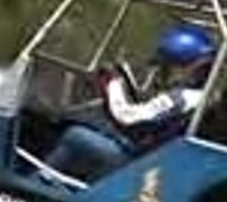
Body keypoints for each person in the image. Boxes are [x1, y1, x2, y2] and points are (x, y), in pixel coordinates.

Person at [40, 24, 217, 182]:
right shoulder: (198, 98)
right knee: (98, 132)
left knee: (75, 135)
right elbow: (147, 115)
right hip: (151, 160)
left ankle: (38, 188)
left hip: (138, 165)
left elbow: (127, 118)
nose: (162, 74)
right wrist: (123, 85)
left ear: (188, 68)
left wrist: (112, 83)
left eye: (167, 67)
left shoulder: (184, 98)